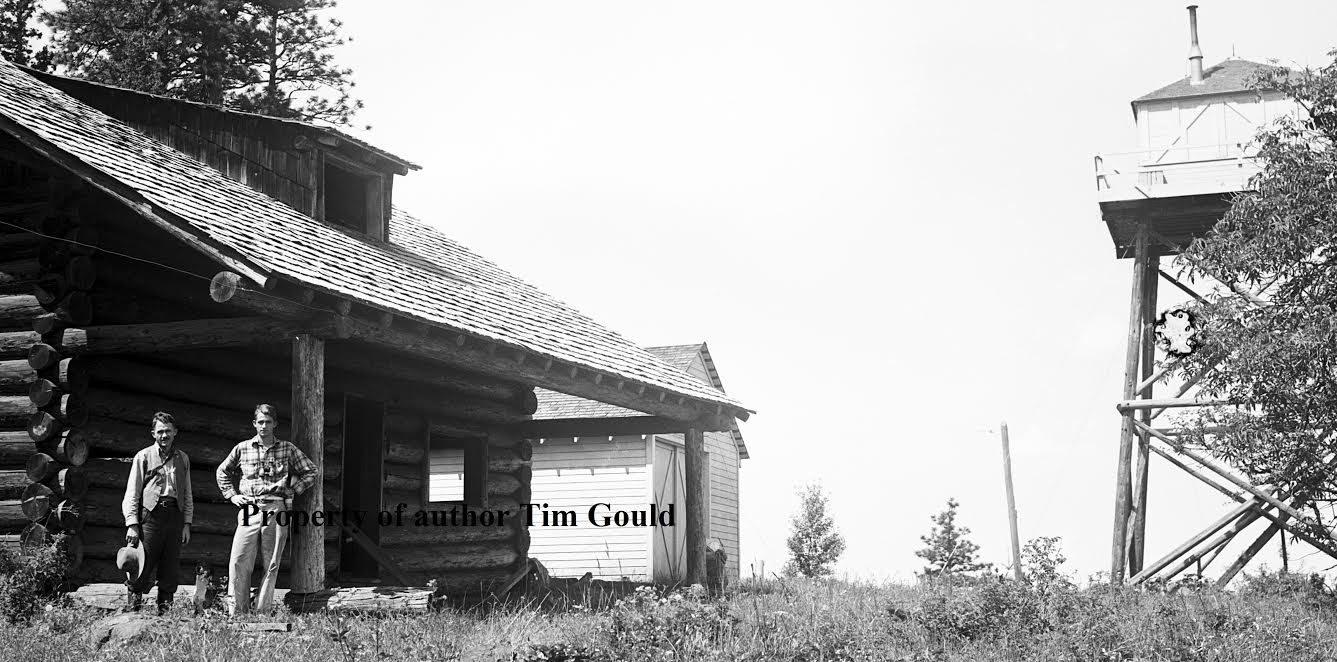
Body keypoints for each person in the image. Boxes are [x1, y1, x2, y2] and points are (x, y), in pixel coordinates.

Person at [215, 403, 319, 615]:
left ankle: (263, 611)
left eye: (268, 422)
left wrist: (293, 490)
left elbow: (311, 471)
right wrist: (232, 495)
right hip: (249, 508)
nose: (264, 426)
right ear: (254, 424)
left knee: (271, 562)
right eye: (260, 422)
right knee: (239, 559)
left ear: (275, 424)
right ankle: (238, 612)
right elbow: (222, 472)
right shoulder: (242, 448)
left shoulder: (287, 448)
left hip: (276, 507)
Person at [121, 411, 193, 614]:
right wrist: (132, 524)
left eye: (168, 431)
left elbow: (187, 493)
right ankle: (132, 614)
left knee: (170, 567)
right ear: (153, 433)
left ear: (175, 432)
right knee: (141, 564)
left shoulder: (183, 458)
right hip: (150, 516)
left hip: (174, 517)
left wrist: (186, 523)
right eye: (160, 431)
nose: (164, 436)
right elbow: (132, 492)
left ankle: (165, 615)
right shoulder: (143, 456)